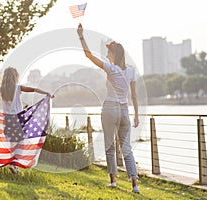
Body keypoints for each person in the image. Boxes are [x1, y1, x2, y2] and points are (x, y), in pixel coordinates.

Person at [77, 23, 140, 193]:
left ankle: (113, 181)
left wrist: (81, 36)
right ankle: (134, 184)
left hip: (110, 108)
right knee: (126, 147)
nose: (106, 55)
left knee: (109, 145)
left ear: (113, 55)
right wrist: (137, 116)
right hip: (125, 111)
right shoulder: (132, 72)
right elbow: (134, 95)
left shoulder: (110, 68)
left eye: (108, 53)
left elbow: (88, 55)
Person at [0, 67, 53, 174]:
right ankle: (13, 164)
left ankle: (12, 164)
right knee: (19, 143)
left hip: (7, 119)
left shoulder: (2, 89)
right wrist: (47, 93)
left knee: (10, 142)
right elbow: (33, 89)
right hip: (18, 118)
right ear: (15, 77)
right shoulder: (18, 88)